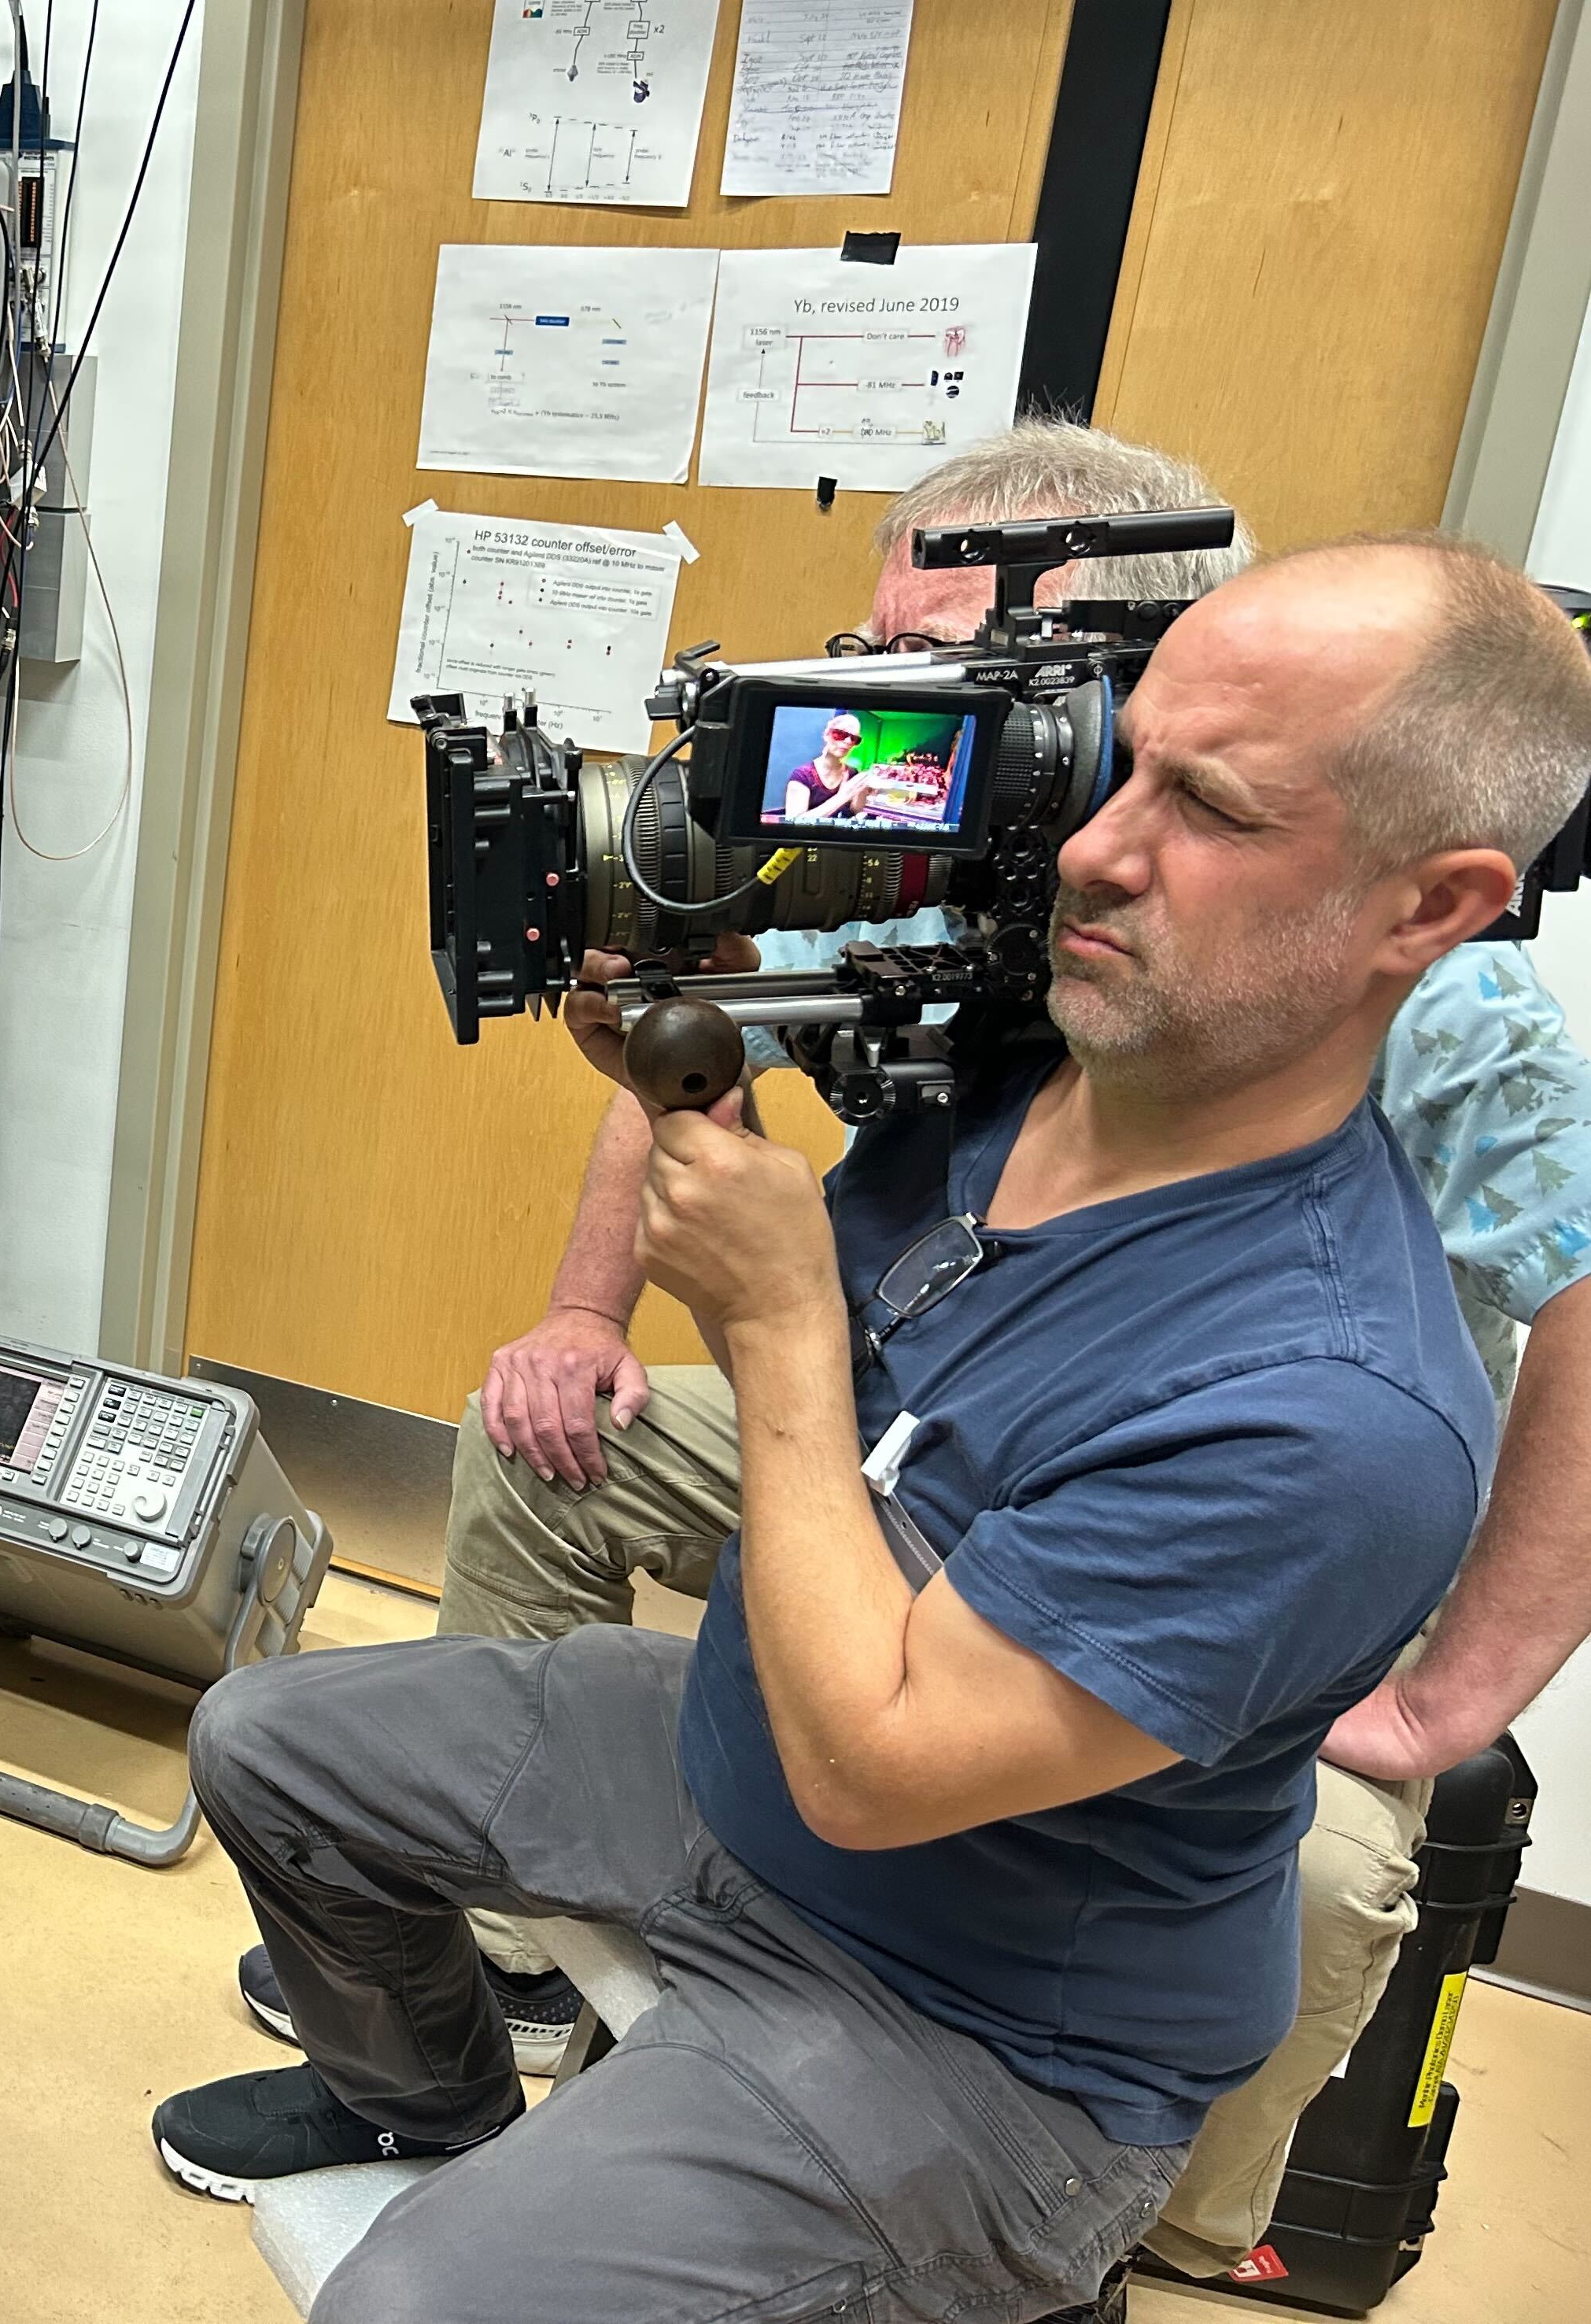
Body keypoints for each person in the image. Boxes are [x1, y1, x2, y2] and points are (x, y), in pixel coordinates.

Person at [156, 530, 1591, 2324]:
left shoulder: (1333, 1411)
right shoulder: (1030, 1056)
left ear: (1431, 908)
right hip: (764, 1760)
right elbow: (841, 1350)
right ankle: (426, 2113)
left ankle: (1022, 2275)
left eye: (1210, 809)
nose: (1093, 847)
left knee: (408, 2313)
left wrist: (771, 1326)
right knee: (269, 1745)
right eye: (1123, 759)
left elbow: (883, 1754)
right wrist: (674, 1065)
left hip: (980, 2018)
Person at [783, 711, 880, 822]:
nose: (848, 741)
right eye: (840, 734)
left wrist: (862, 790)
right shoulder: (802, 776)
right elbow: (794, 823)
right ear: (826, 735)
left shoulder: (852, 773)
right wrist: (843, 796)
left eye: (854, 739)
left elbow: (856, 810)